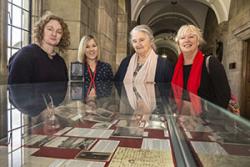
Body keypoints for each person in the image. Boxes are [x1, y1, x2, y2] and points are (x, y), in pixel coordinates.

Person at [171, 24, 231, 109]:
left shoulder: (211, 63)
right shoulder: (175, 67)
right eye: (182, 38)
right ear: (179, 43)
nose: (187, 40)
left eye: (191, 37)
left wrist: (206, 117)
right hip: (182, 118)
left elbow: (224, 96)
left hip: (207, 120)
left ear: (198, 41)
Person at [8, 11, 70, 84]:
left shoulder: (60, 62)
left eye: (59, 32)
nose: (54, 34)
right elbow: (16, 91)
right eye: (50, 29)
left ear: (62, 37)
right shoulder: (25, 55)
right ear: (41, 30)